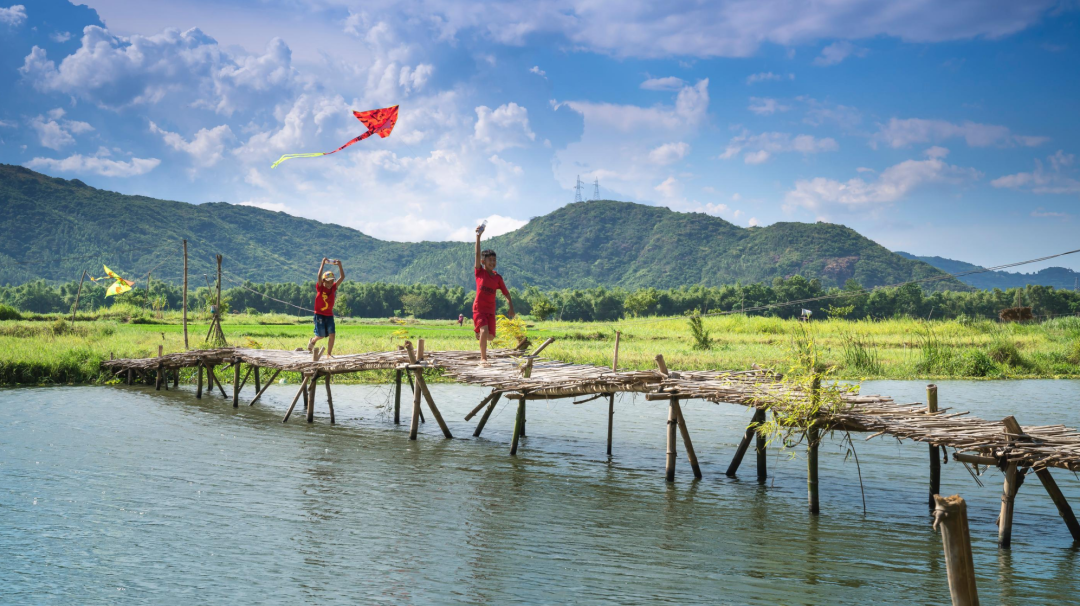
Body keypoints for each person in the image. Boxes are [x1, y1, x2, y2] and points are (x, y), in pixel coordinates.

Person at [473, 223, 514, 362]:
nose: (493, 262)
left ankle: (479, 333)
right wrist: (478, 237)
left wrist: (511, 307)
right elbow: (477, 253)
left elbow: (506, 293)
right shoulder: (480, 273)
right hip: (479, 309)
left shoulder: (497, 278)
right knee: (484, 331)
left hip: (490, 310)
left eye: (494, 260)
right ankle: (483, 359)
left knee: (490, 336)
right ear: (483, 262)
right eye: (490, 260)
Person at [308, 257, 344, 356]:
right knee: (321, 335)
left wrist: (340, 266)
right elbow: (319, 276)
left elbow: (342, 277)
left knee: (332, 334)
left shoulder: (333, 289)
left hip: (329, 315)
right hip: (319, 314)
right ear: (323, 281)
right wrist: (323, 263)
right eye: (327, 282)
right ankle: (313, 340)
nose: (329, 284)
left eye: (331, 281)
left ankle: (329, 354)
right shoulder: (320, 288)